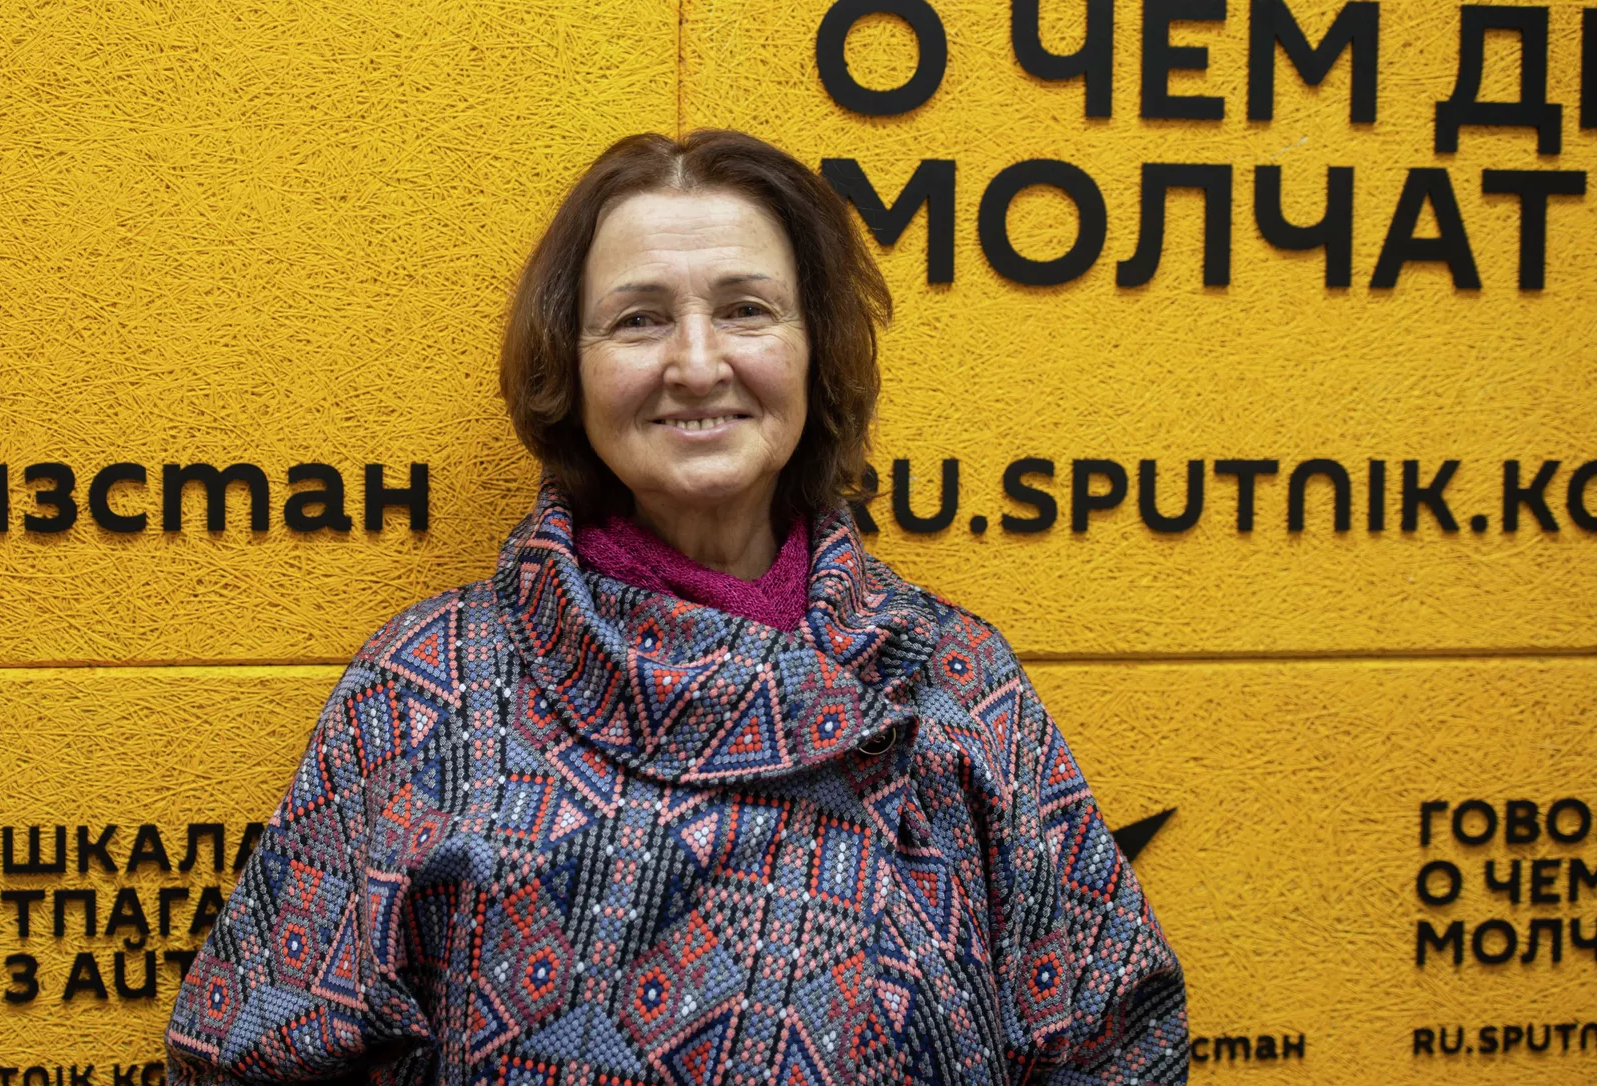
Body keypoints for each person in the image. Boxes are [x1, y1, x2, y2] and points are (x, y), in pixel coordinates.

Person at [165, 129, 1187, 1085]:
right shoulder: (429, 686)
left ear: (816, 351)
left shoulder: (948, 674)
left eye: (746, 310)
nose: (697, 366)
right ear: (570, 367)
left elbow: (1117, 1037)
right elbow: (254, 1054)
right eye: (639, 319)